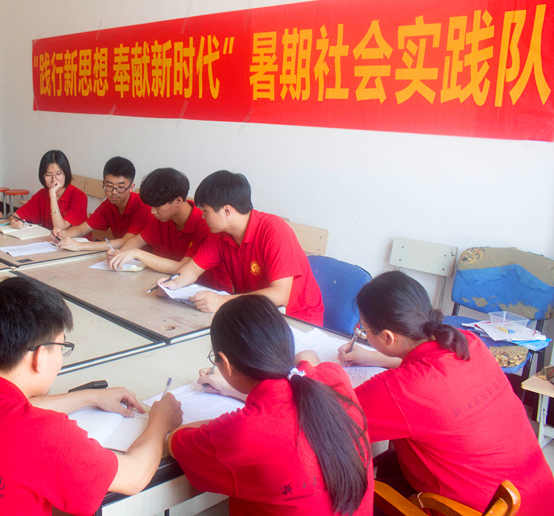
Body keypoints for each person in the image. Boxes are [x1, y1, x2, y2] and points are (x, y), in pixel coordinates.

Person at [0, 275, 183, 516]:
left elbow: (2, 407)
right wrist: (160, 421)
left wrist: (89, 397)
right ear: (40, 356)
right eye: (62, 348)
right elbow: (135, 476)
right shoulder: (43, 434)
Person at [339, 271, 554, 514]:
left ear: (387, 336)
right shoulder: (466, 343)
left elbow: (332, 418)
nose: (363, 333)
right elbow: (429, 368)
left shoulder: (400, 389)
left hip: (471, 509)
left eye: (364, 329)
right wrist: (371, 357)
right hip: (536, 497)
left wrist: (315, 365)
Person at [168, 295, 372, 515]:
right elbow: (292, 395)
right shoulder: (335, 378)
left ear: (225, 363)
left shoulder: (243, 431)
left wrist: (161, 420)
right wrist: (234, 390)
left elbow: (176, 441)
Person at [158, 170, 324, 323]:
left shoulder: (274, 231)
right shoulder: (219, 234)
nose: (202, 216)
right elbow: (193, 270)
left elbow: (280, 295)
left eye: (206, 211)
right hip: (255, 313)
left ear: (227, 210)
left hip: (296, 319)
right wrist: (171, 285)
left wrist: (223, 301)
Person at [107, 167, 231, 291]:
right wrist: (121, 254)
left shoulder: (206, 224)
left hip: (208, 290)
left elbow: (182, 267)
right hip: (175, 286)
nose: (152, 212)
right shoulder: (163, 219)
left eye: (157, 207)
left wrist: (136, 253)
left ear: (178, 201)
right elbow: (137, 241)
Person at [53, 156, 153, 252]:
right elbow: (83, 228)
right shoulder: (109, 204)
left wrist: (80, 246)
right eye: (109, 186)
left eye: (120, 187)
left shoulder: (143, 205)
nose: (114, 192)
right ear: (103, 184)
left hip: (143, 260)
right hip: (121, 255)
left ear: (131, 187)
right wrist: (62, 234)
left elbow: (126, 241)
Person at [9, 150, 87, 230]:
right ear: (42, 176)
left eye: (58, 174)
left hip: (74, 238)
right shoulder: (42, 194)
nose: (54, 179)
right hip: (49, 237)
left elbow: (60, 228)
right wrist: (14, 222)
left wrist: (53, 195)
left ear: (66, 174)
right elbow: (15, 216)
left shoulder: (79, 196)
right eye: (48, 175)